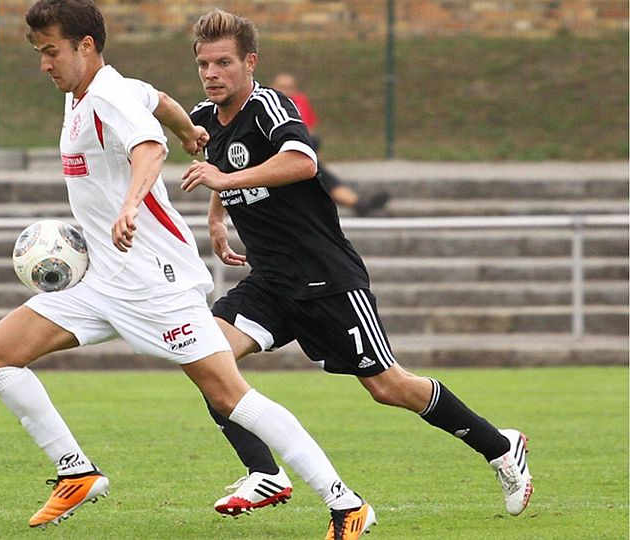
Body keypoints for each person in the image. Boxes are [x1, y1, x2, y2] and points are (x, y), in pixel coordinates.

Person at [0, 1, 375, 535]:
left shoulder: (108, 96)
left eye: (52, 52)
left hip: (154, 282)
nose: (45, 64)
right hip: (102, 280)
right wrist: (190, 133)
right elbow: (158, 100)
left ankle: (345, 503)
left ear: (86, 47)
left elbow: (148, 148)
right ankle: (76, 471)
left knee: (230, 396)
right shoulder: (95, 91)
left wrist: (131, 204)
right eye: (40, 53)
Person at [179, 7, 532, 530]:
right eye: (204, 64)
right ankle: (265, 473)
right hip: (271, 282)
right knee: (206, 358)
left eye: (223, 62)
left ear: (250, 62)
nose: (212, 74)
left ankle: (500, 445)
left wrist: (224, 185)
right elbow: (220, 165)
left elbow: (303, 162)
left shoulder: (269, 106)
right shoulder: (204, 117)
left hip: (327, 278)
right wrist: (216, 216)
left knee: (389, 387)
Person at [270, 72, 389, 217]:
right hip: (278, 152)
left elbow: (308, 129)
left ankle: (357, 203)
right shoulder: (269, 105)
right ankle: (357, 204)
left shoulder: (299, 102)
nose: (286, 91)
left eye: (290, 87)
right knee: (318, 174)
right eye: (282, 87)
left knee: (317, 169)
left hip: (298, 150)